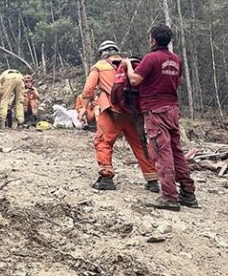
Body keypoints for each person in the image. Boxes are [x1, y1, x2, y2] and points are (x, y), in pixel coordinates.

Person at [125, 24, 197, 211]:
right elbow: (179, 81)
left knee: (161, 152)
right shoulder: (176, 59)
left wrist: (127, 65)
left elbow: (134, 80)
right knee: (176, 151)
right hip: (172, 109)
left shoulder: (151, 58)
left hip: (155, 111)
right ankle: (188, 193)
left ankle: (169, 197)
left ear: (153, 40)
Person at [82, 40, 159, 192]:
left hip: (111, 110)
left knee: (103, 141)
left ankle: (106, 177)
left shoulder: (100, 66)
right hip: (133, 112)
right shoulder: (131, 64)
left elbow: (88, 89)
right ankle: (152, 180)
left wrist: (84, 108)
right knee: (140, 144)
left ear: (103, 53)